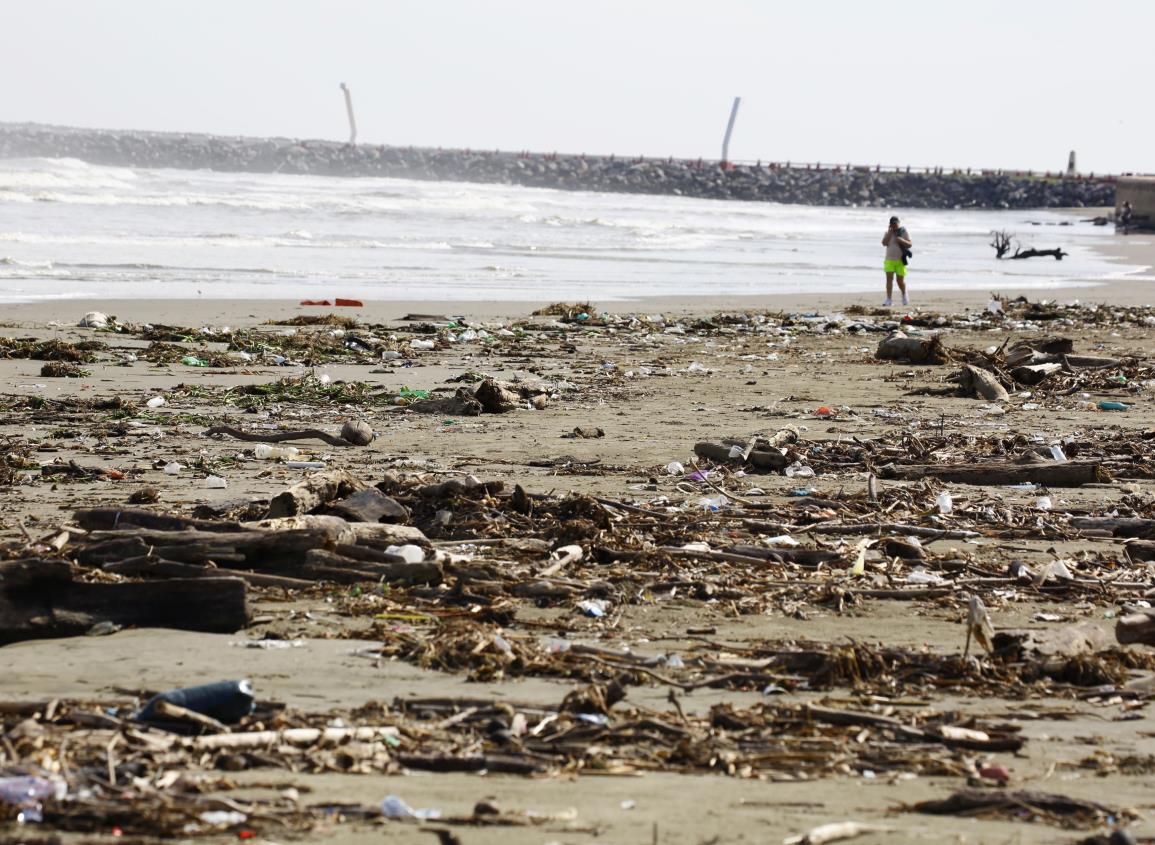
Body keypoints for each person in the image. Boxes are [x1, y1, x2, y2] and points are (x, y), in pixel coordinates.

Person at [881, 215, 912, 306]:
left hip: (900, 260)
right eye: (892, 224)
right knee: (889, 279)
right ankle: (889, 299)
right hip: (889, 260)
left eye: (895, 224)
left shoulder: (903, 232)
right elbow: (884, 243)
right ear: (890, 225)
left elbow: (910, 244)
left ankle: (904, 295)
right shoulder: (888, 233)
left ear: (898, 223)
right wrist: (890, 234)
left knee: (900, 281)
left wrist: (901, 240)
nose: (894, 226)